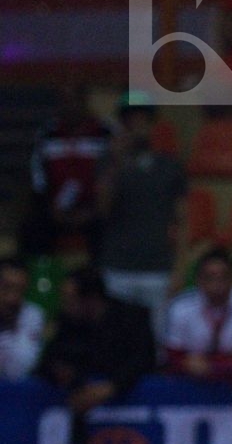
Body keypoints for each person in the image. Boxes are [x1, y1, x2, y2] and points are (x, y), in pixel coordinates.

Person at [96, 95, 187, 339]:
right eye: (130, 118)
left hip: (157, 268)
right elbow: (102, 210)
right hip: (118, 267)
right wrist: (116, 161)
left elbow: (181, 221)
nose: (136, 124)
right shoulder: (108, 163)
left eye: (142, 118)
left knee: (158, 341)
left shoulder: (170, 166)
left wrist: (178, 269)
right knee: (117, 340)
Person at [37, 266, 157, 419]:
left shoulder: (131, 318)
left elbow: (144, 359)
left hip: (130, 409)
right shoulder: (65, 322)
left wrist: (111, 387)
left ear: (91, 299)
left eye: (70, 299)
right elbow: (48, 361)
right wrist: (60, 372)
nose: (64, 304)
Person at [164, 246, 232, 384]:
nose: (217, 284)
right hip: (192, 389)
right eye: (210, 277)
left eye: (224, 277)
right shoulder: (180, 308)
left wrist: (212, 367)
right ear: (198, 280)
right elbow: (171, 359)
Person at [21, 85, 108, 259]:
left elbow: (114, 175)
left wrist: (93, 210)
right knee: (32, 229)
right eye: (65, 101)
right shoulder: (47, 134)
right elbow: (38, 178)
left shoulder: (105, 132)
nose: (70, 106)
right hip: (55, 210)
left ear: (84, 102)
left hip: (96, 209)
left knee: (110, 229)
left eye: (75, 100)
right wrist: (52, 209)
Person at [0, 257, 46, 382]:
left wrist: (11, 326)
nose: (12, 298)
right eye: (6, 288)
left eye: (20, 290)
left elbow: (20, 368)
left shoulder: (32, 314)